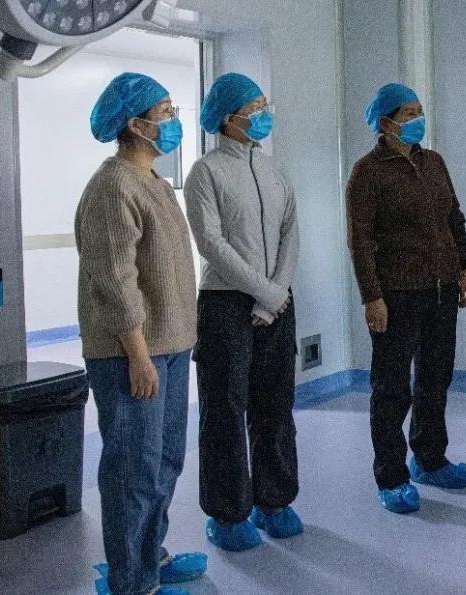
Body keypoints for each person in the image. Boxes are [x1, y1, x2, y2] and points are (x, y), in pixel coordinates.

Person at [77, 72, 207, 595]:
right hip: (132, 353)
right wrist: (138, 354)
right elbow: (114, 278)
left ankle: (150, 556)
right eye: (166, 112)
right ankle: (132, 582)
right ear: (135, 124)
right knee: (133, 471)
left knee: (165, 462)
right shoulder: (113, 186)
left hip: (169, 347)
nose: (174, 120)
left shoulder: (154, 181)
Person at [184, 73, 303, 550]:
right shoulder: (205, 172)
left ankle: (274, 500)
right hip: (225, 303)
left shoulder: (273, 170)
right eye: (253, 108)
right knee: (225, 410)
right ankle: (228, 512)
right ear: (227, 119)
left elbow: (291, 231)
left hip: (277, 302)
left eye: (263, 105)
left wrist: (276, 293)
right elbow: (211, 244)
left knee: (275, 406)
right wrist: (264, 292)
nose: (262, 114)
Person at [346, 83, 466, 514]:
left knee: (435, 380)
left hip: (441, 288)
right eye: (409, 113)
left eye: (420, 111)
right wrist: (372, 297)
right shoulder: (367, 173)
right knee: (392, 388)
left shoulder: (433, 162)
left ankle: (430, 459)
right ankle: (392, 476)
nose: (419, 119)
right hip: (396, 295)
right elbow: (360, 242)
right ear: (386, 123)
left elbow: (454, 218)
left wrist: (464, 268)